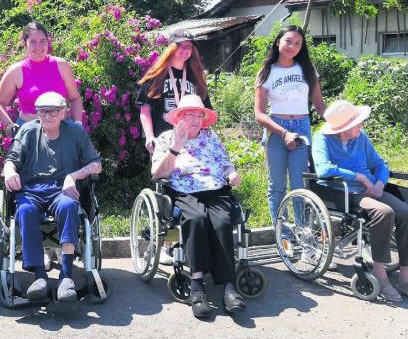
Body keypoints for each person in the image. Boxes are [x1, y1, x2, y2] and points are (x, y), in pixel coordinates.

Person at [151, 94, 246, 318]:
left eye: (198, 115)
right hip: (184, 190)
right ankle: (197, 285)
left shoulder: (210, 136)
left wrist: (231, 172)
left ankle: (229, 288)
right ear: (179, 118)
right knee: (196, 220)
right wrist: (175, 148)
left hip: (215, 189)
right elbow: (157, 173)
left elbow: (224, 161)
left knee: (222, 222)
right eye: (189, 115)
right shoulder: (166, 138)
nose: (195, 119)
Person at [312, 100, 408, 302]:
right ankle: (380, 273)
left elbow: (379, 164)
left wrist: (380, 184)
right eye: (358, 123)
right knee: (384, 212)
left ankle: (405, 275)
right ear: (345, 128)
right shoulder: (322, 139)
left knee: (407, 213)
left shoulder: (361, 137)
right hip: (343, 193)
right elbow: (323, 169)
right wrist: (357, 176)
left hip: (371, 189)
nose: (362, 126)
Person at [3, 92, 101, 302]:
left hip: (62, 190)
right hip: (31, 189)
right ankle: (39, 277)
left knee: (68, 207)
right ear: (37, 113)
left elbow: (96, 165)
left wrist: (72, 176)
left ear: (64, 112)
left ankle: (66, 275)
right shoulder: (27, 131)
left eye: (53, 111)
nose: (47, 115)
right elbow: (12, 159)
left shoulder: (75, 132)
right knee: (25, 210)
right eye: (42, 111)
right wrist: (10, 171)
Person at [137, 29, 210, 265]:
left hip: (193, 141)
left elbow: (206, 114)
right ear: (171, 48)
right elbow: (145, 109)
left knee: (194, 184)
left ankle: (190, 237)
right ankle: (167, 243)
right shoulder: (156, 75)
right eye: (181, 46)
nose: (185, 50)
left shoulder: (195, 77)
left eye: (189, 46)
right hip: (164, 140)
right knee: (167, 187)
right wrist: (149, 136)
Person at [254, 25, 326, 227]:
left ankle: (303, 235)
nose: (292, 46)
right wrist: (283, 132)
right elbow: (259, 114)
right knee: (277, 186)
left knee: (300, 185)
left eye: (297, 43)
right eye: (288, 41)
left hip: (302, 127)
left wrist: (338, 122)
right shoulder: (267, 71)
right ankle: (282, 236)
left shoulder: (307, 69)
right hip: (276, 129)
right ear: (278, 41)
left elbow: (319, 104)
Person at [0, 21, 83, 136]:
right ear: (25, 43)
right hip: (29, 135)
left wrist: (77, 124)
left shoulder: (62, 65)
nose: (38, 47)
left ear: (48, 41)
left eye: (42, 41)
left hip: (63, 133)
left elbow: (75, 98)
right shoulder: (16, 71)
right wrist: (10, 126)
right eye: (33, 42)